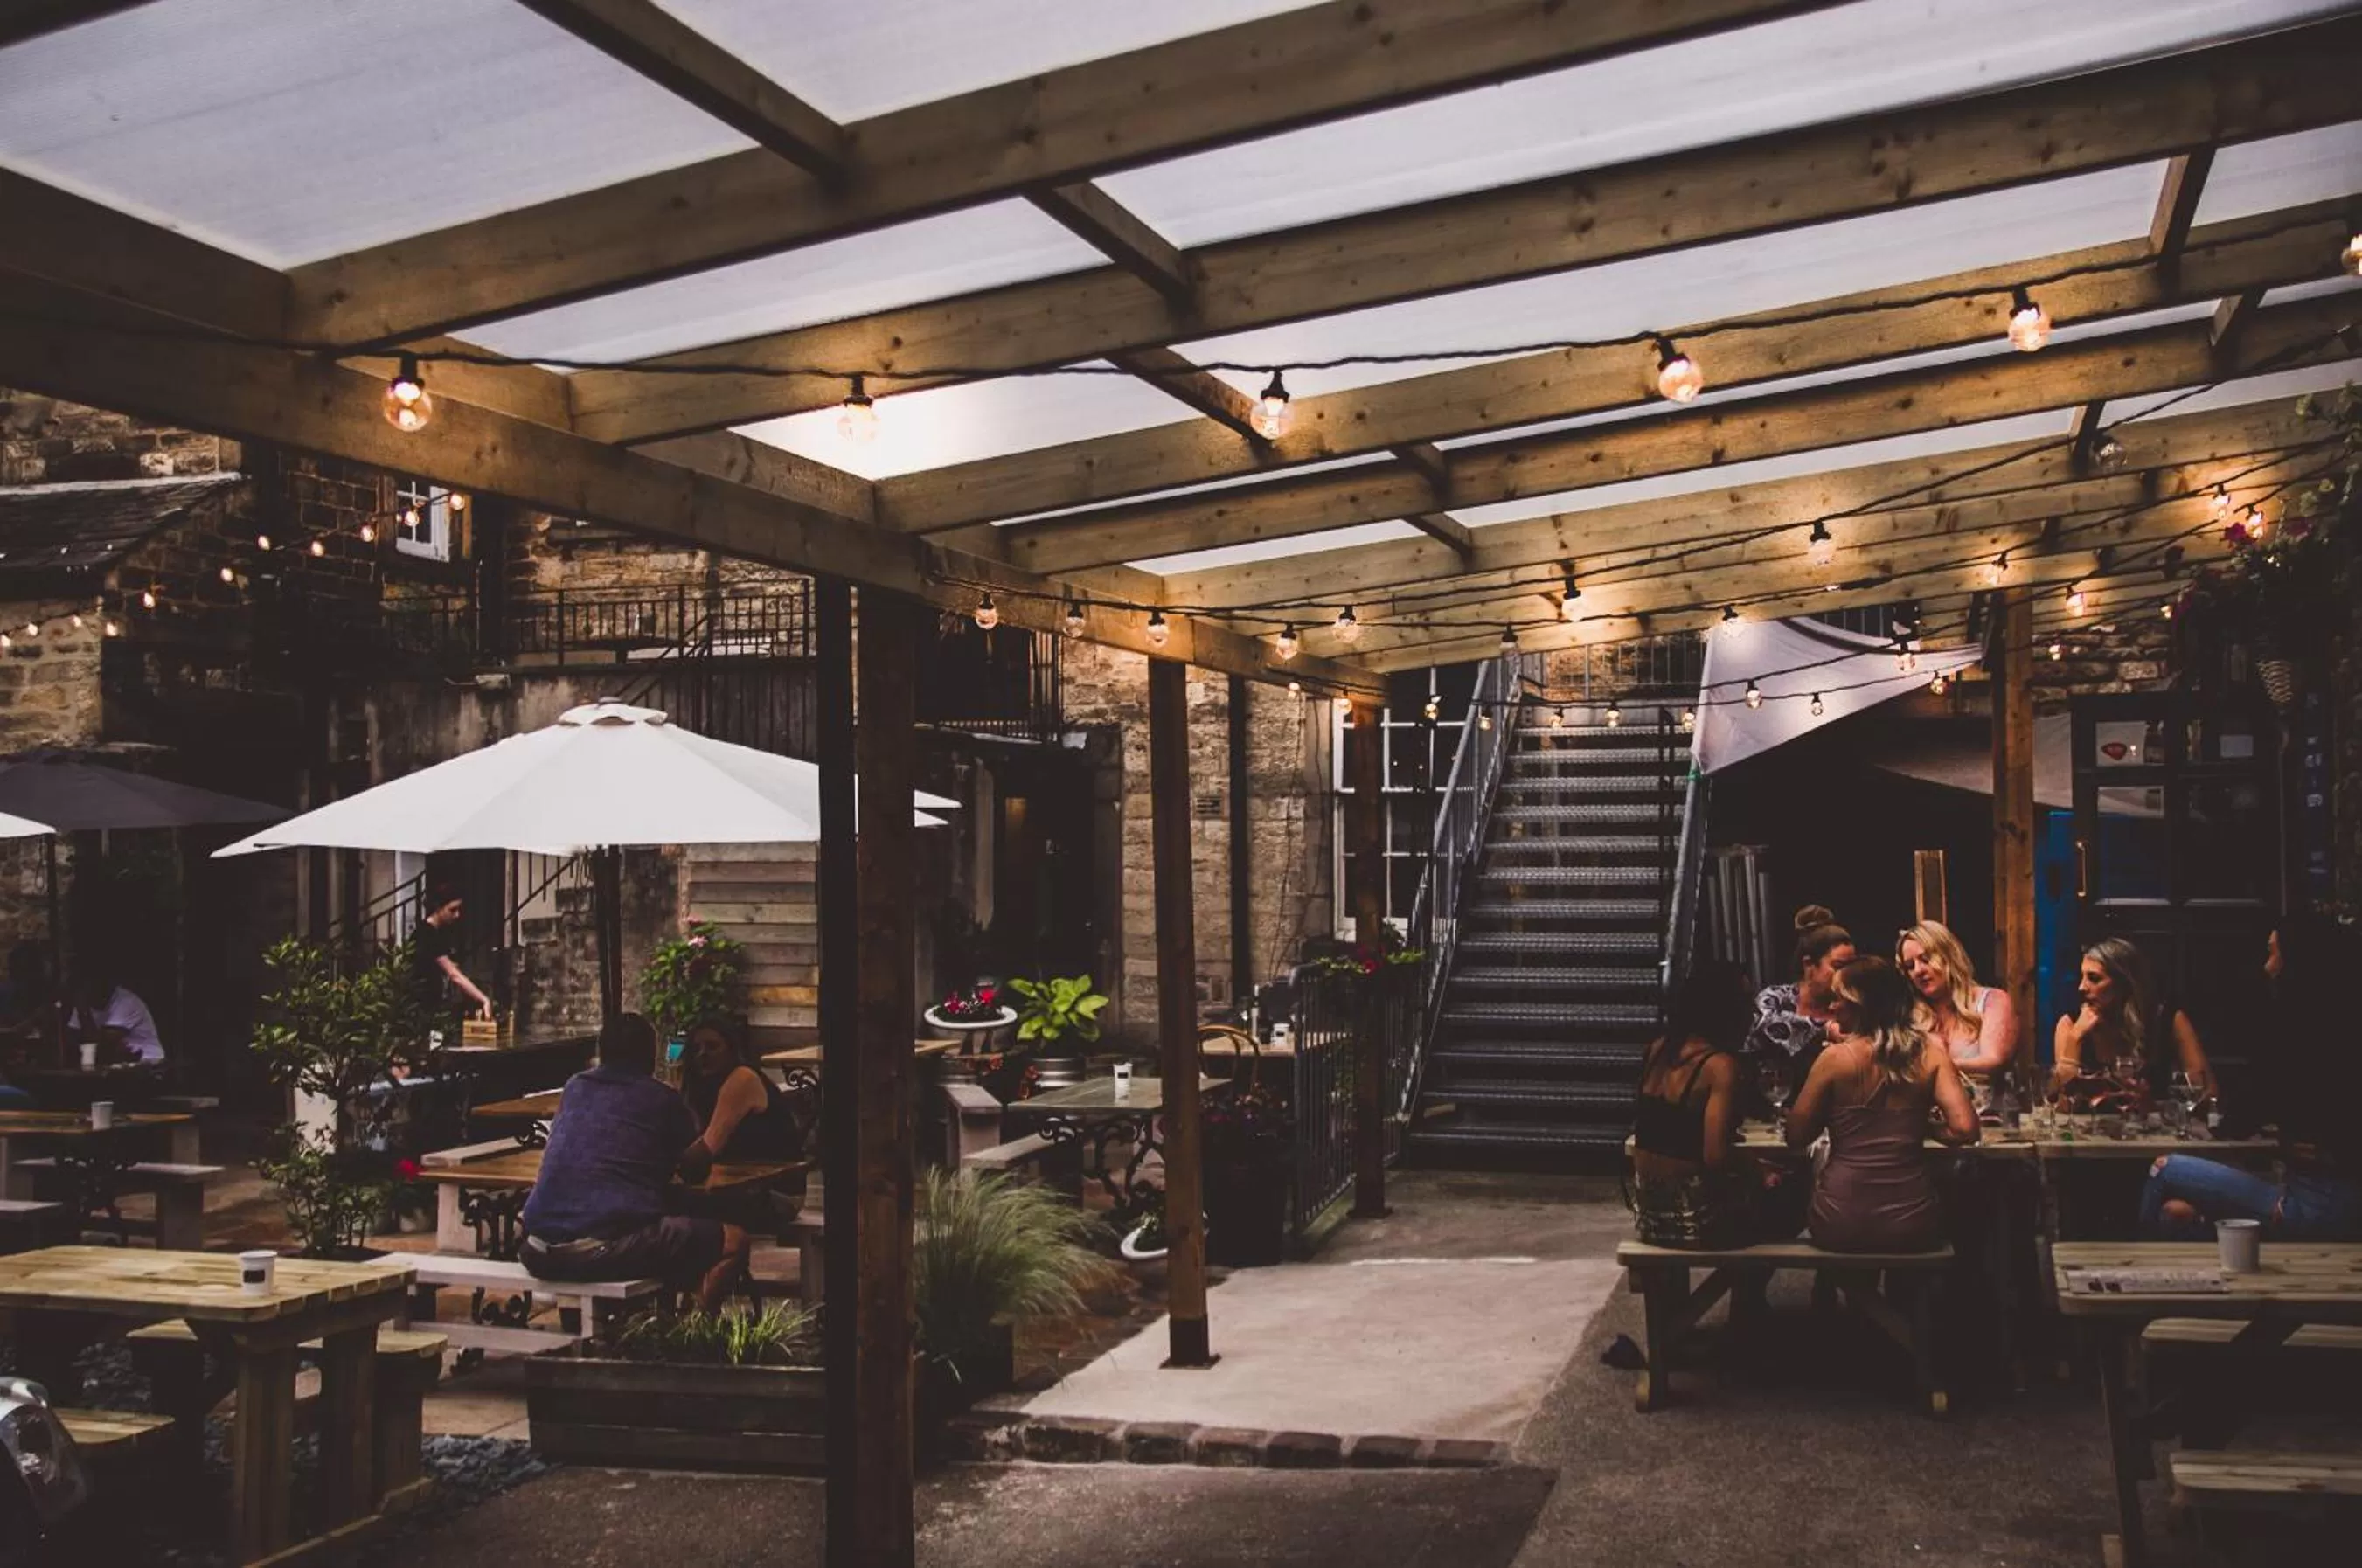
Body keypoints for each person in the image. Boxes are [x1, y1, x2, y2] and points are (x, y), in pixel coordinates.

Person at [2140, 916, 2362, 1240]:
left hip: (2309, 1206)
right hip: (2335, 1200)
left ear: (2297, 961)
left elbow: (2240, 1120)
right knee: (2176, 1212)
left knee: (2164, 1169)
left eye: (2274, 953)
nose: (2268, 966)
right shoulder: (2344, 1028)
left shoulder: (2296, 1034)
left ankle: (2135, 1275)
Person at [519, 1012, 749, 1309]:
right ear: (651, 1056)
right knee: (734, 1242)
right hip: (596, 1251)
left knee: (654, 1230)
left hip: (536, 1248)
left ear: (601, 1052)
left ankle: (642, 1322)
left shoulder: (575, 1087)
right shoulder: (660, 1098)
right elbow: (693, 1169)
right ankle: (693, 1337)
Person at [1787, 956, 1979, 1253]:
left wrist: (1834, 1117)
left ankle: (1865, 1301)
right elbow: (1966, 1129)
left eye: (1839, 999)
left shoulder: (1833, 1060)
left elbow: (1795, 1137)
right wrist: (1923, 1125)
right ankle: (1885, 1301)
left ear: (1861, 1003)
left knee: (1844, 1259)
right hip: (1913, 1217)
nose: (1831, 1007)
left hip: (1841, 1215)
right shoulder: (1931, 1053)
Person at [1630, 961, 1806, 1247]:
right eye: (1746, 1004)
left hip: (1649, 1215)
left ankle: (1743, 1290)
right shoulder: (1718, 1066)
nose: (1752, 1014)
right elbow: (1716, 1155)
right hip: (1694, 1220)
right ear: (1724, 1009)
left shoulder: (1658, 1049)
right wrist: (1759, 1168)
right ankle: (1749, 1291)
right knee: (1794, 1200)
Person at [2050, 938, 2213, 1105]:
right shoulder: (2069, 1024)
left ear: (2124, 984)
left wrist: (2156, 1104)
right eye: (2082, 977)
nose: (2081, 987)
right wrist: (2075, 1038)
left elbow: (2207, 1093)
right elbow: (2063, 1108)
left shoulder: (2166, 1019)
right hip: (2090, 1129)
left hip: (2154, 1127)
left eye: (2094, 978)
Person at [1897, 921, 2018, 1083]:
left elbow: (1994, 1061)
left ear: (1949, 956)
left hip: (1991, 1106)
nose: (1918, 970)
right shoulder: (1911, 1014)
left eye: (1925, 959)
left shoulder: (1992, 1000)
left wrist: (1933, 1067)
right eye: (1910, 966)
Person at [1746, 905, 1857, 1079]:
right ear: (1809, 965)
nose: (1847, 975)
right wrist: (1824, 1029)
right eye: (1838, 967)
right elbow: (1765, 1024)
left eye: (1851, 967)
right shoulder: (1775, 998)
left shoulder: (1854, 1004)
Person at [410, 887, 493, 1022]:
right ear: (438, 908)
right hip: (421, 1006)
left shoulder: (438, 933)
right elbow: (454, 975)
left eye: (459, 910)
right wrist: (483, 999)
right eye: (452, 910)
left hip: (430, 1002)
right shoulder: (427, 934)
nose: (457, 915)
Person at [63, 960, 165, 1069]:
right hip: (115, 1063)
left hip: (148, 1061)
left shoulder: (126, 1002)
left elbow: (103, 1044)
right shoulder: (84, 1003)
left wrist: (84, 1013)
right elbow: (71, 1038)